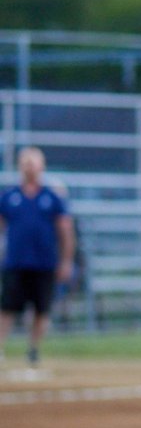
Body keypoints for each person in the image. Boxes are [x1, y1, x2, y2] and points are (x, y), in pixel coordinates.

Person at [0, 147, 76, 367]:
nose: (29, 167)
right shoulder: (9, 197)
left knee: (41, 309)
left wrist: (66, 261)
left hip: (44, 263)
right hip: (15, 262)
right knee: (7, 307)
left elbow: (65, 232)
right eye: (26, 163)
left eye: (33, 163)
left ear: (42, 166)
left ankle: (33, 350)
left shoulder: (52, 197)